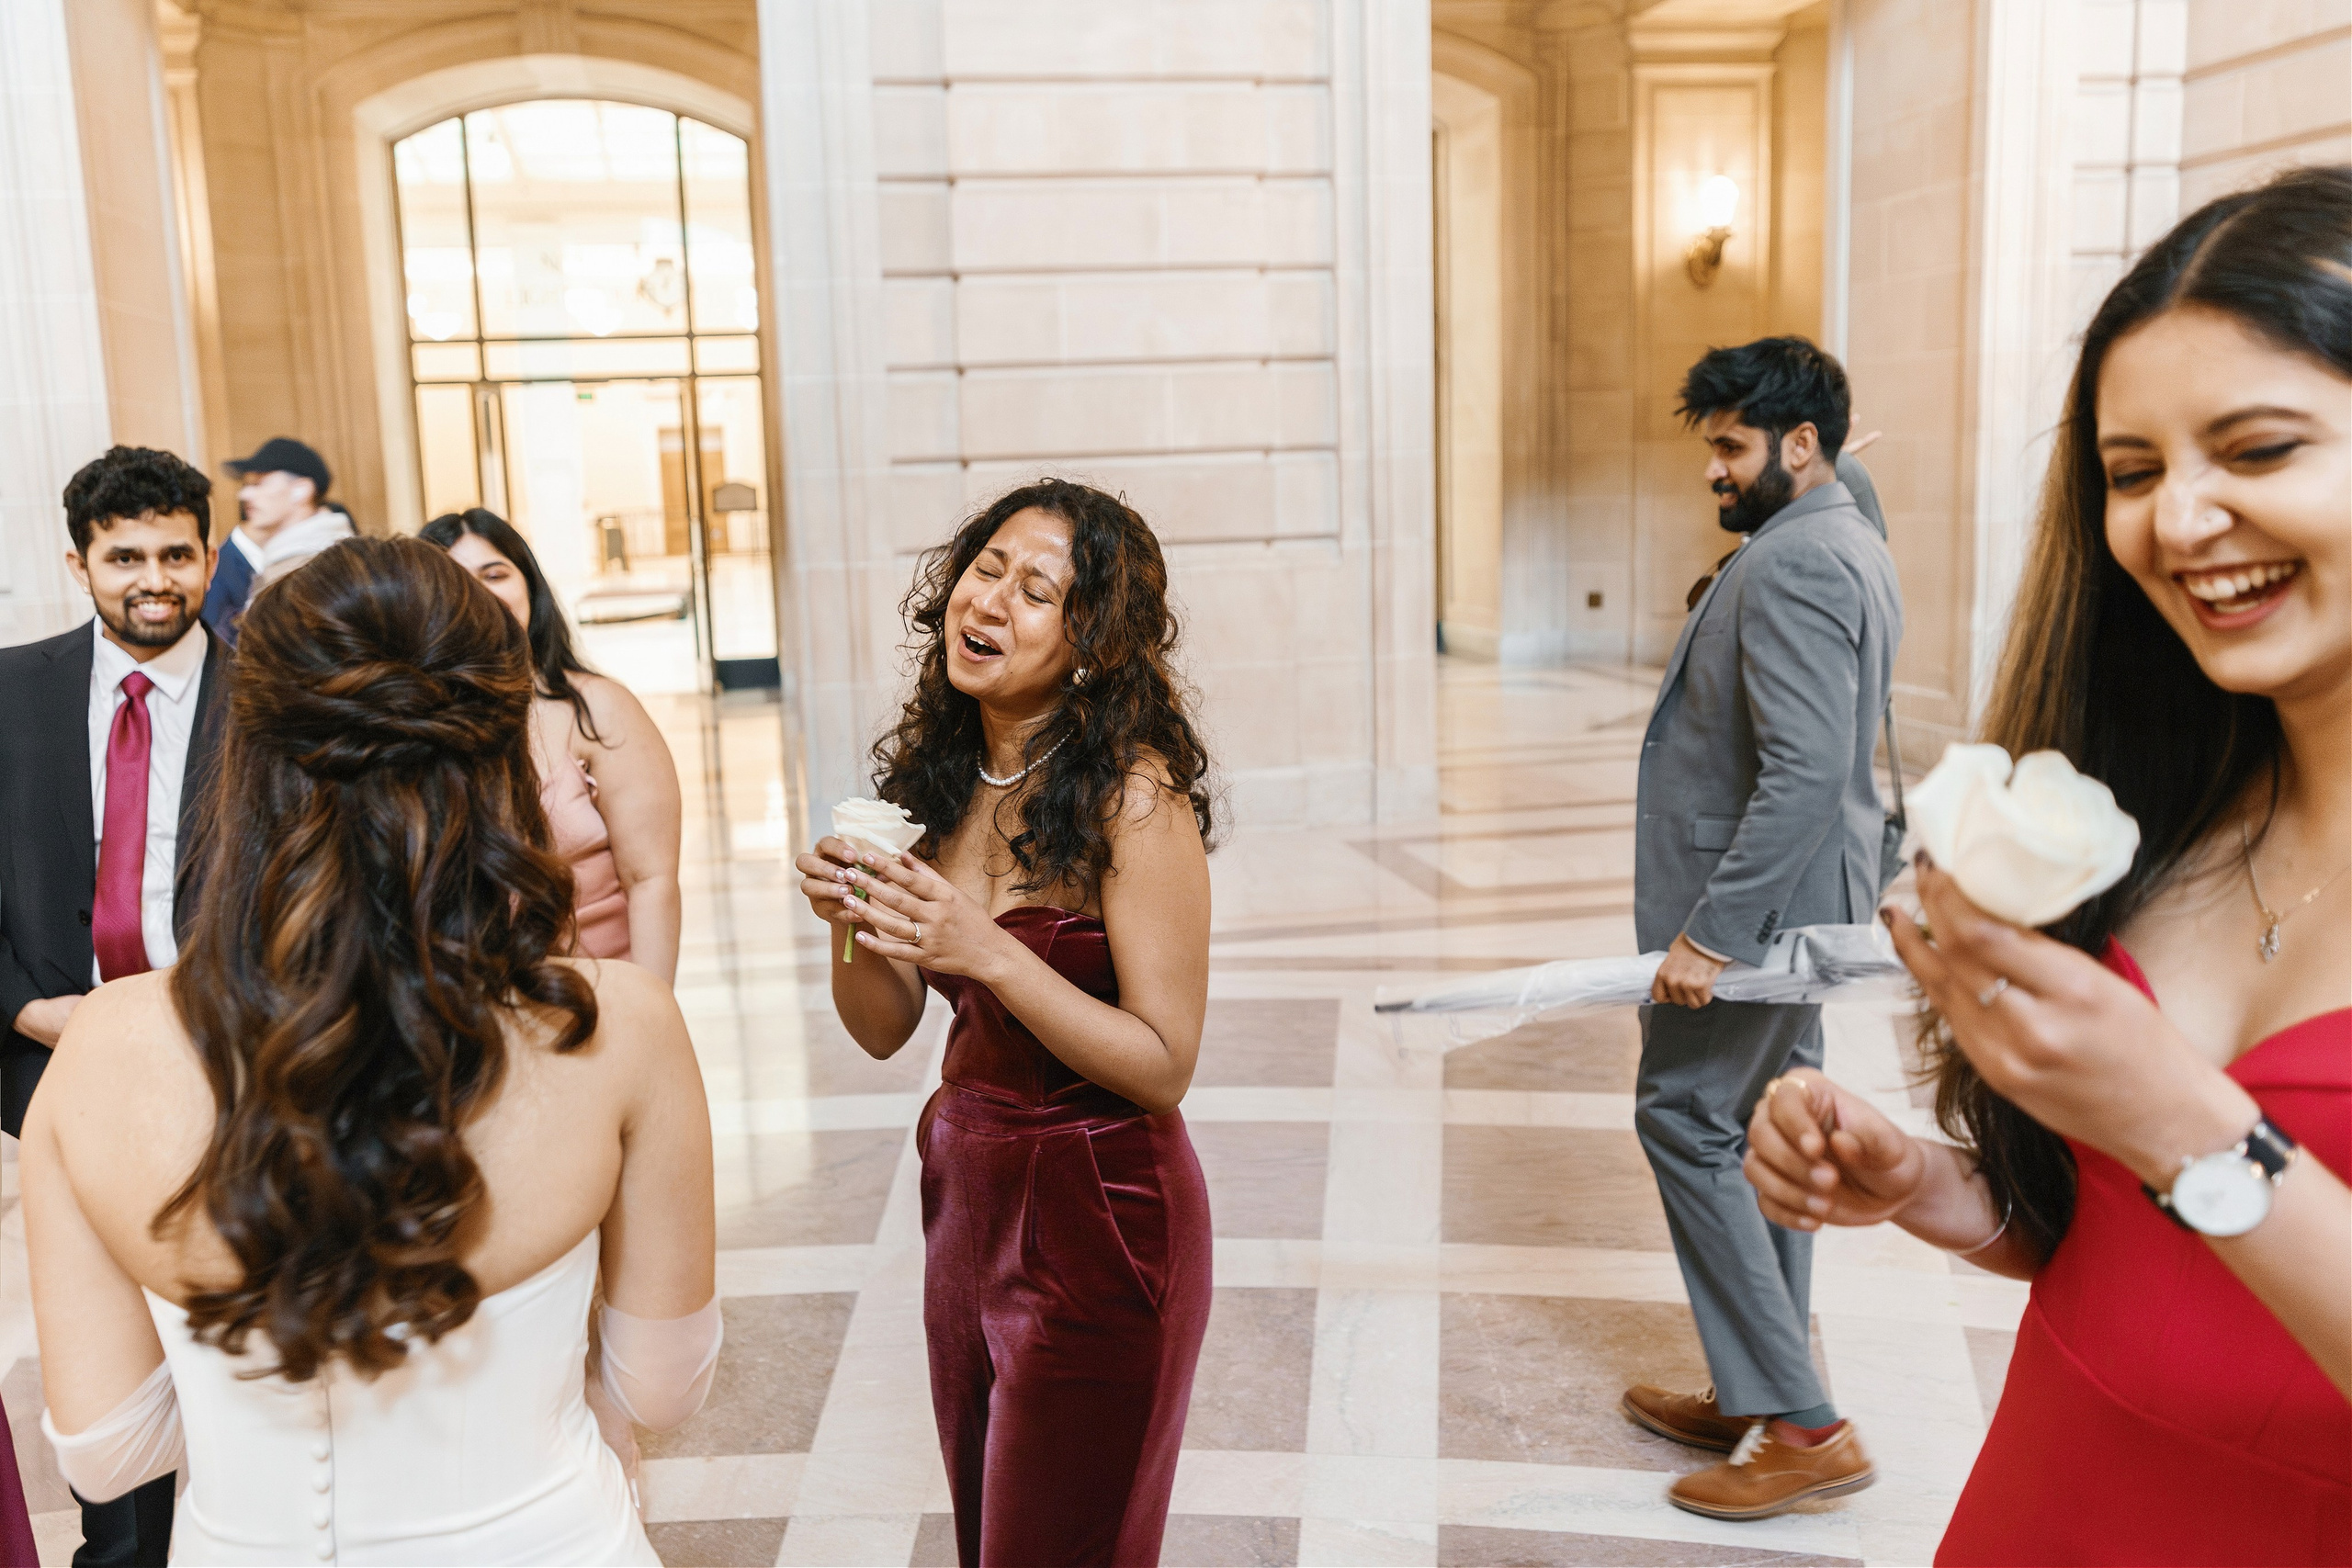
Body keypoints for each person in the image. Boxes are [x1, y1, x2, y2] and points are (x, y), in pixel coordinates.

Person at [1745, 166, 2351, 1565]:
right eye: (2131, 470)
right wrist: (1928, 1185)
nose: (2176, 521)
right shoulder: (2168, 804)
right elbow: (2124, 1234)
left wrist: (2182, 1121)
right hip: (2049, 1497)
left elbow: (2187, 1150)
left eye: (2256, 451)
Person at [23, 536, 721, 1565]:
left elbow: (106, 1452)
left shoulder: (104, 1044)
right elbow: (660, 1388)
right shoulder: (618, 1025)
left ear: (244, 747)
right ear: (498, 749)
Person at [796, 480, 1216, 1567]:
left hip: (1100, 1208)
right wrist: (854, 922)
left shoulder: (1133, 798)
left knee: (1060, 1543)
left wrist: (984, 949)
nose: (992, 602)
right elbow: (883, 1028)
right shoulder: (938, 783)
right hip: (966, 1201)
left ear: (1090, 644)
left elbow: (1163, 1065)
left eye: (1039, 592)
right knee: (994, 1534)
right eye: (986, 569)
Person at [1620, 337, 1902, 1519]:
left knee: (1682, 1116)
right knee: (1771, 1128)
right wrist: (1835, 464)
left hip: (1764, 910)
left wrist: (1713, 935)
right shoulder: (1846, 531)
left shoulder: (1790, 566)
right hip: (1818, 895)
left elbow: (1797, 772)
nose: (1711, 472)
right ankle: (1760, 1386)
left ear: (1798, 447)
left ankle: (1802, 1422)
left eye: (1730, 447)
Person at [0, 445, 232, 1565]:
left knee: (226, 1334)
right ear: (78, 563)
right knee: (100, 1331)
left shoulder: (271, 699)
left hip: (219, 1060)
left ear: (210, 555)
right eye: (124, 555)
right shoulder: (9, 693)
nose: (153, 577)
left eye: (176, 554)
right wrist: (33, 1012)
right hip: (54, 1059)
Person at [422, 510, 683, 983]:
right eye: (454, 579)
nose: (478, 593)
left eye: (494, 574)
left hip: (597, 997)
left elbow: (651, 882)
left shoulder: (596, 708)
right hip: (464, 1009)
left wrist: (652, 1009)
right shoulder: (407, 723)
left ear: (530, 589)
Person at [206, 438, 348, 638]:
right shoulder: (291, 556)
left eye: (258, 483)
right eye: (245, 485)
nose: (244, 494)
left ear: (301, 490)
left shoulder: (316, 565)